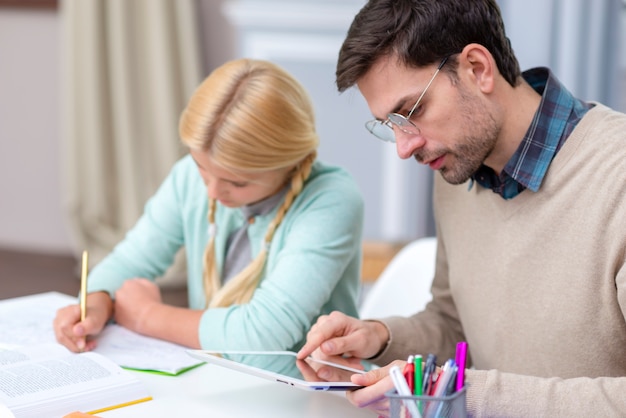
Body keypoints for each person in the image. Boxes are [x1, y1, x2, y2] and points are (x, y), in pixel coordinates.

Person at [297, 0, 626, 416]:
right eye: (390, 126)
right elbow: (456, 325)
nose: (404, 147)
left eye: (410, 112)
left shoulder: (616, 179)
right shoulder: (457, 173)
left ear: (477, 68)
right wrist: (380, 338)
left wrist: (463, 394)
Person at [54, 58, 364, 354]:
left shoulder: (332, 201)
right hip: (216, 377)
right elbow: (128, 261)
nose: (213, 192)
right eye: (202, 167)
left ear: (291, 162)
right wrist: (96, 303)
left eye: (238, 182)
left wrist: (146, 316)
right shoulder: (190, 179)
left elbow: (263, 336)